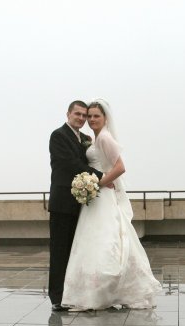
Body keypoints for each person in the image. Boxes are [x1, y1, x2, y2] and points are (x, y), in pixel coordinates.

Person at [62, 99, 162, 310]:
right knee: (94, 239)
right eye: (89, 116)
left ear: (105, 118)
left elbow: (120, 167)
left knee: (106, 238)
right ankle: (96, 291)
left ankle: (106, 289)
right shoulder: (94, 138)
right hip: (97, 196)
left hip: (103, 194)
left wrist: (98, 183)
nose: (91, 119)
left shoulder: (105, 138)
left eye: (96, 116)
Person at [48, 100, 103, 311]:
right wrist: (102, 177)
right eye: (77, 114)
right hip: (62, 203)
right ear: (68, 114)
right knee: (60, 251)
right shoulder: (58, 136)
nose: (81, 118)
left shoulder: (86, 139)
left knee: (77, 251)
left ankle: (74, 294)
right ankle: (57, 298)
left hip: (81, 203)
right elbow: (71, 164)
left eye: (84, 115)